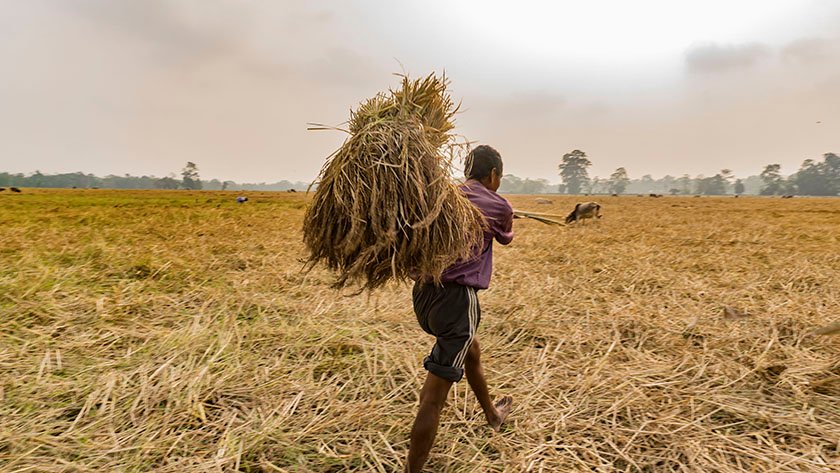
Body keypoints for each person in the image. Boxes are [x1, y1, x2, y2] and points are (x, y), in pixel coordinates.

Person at [406, 145, 514, 472]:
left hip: (424, 295)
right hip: (457, 301)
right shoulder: (499, 205)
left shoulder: (444, 196)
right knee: (434, 397)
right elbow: (506, 236)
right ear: (493, 175)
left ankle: (492, 415)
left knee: (470, 350)